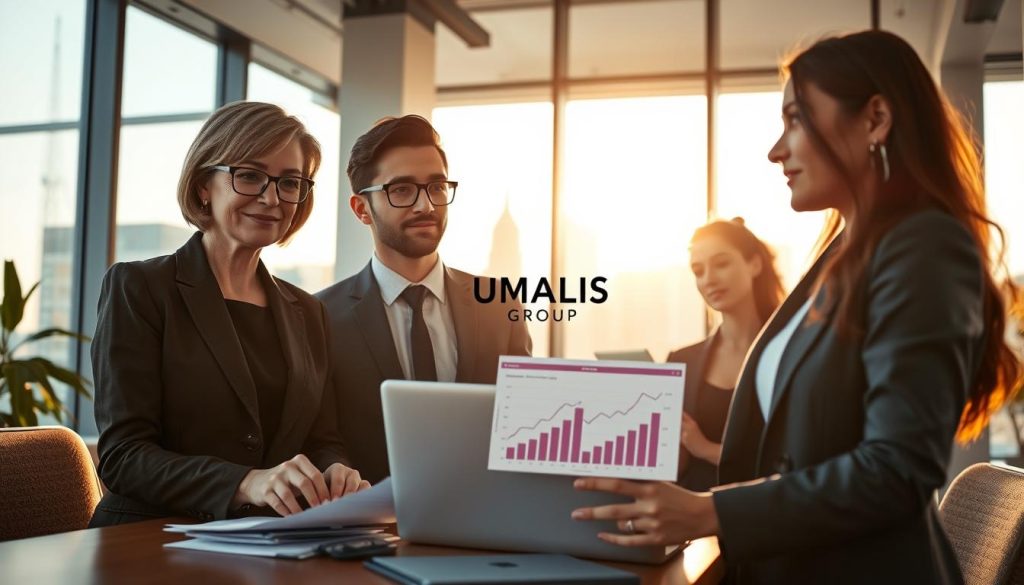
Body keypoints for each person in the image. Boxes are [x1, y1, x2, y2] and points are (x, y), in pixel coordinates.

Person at [570, 30, 1022, 584]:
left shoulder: (924, 245)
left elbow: (897, 470)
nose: (776, 149)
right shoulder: (842, 254)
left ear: (876, 119)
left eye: (796, 120)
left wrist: (709, 510)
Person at [90, 102, 367, 527]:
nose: (272, 197)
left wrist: (335, 472)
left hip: (264, 543)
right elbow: (124, 456)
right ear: (204, 185)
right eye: (250, 175)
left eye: (289, 182)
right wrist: (245, 482)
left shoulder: (308, 312)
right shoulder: (140, 288)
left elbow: (322, 439)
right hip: (149, 540)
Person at [316, 115, 532, 484]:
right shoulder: (319, 315)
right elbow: (320, 437)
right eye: (401, 190)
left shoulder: (500, 304)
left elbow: (524, 419)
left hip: (489, 517)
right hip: (376, 527)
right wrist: (334, 470)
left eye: (436, 187)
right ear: (361, 209)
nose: (426, 206)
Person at [667, 218, 784, 491]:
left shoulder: (787, 353)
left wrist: (706, 449)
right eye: (698, 270)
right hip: (691, 520)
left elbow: (790, 456)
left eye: (721, 264)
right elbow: (676, 468)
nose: (709, 279)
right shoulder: (683, 360)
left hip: (765, 512)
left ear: (754, 264)